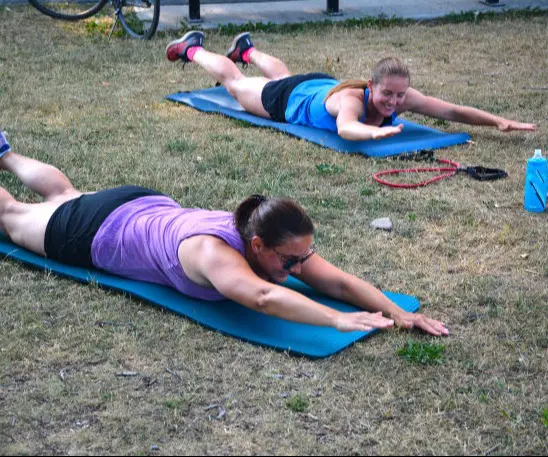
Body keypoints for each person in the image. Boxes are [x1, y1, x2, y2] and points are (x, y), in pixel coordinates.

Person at [0, 130, 448, 336]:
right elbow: (263, 298)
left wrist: (398, 312)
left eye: (300, 260)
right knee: (12, 215)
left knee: (64, 191)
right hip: (93, 230)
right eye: (290, 262)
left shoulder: (269, 235)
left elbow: (339, 281)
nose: (298, 269)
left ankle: (6, 153)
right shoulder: (214, 254)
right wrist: (335, 319)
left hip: (137, 203)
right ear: (257, 245)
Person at [165, 31, 536, 141]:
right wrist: (373, 135)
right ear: (371, 86)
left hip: (313, 85)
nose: (394, 101)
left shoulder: (401, 99)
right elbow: (345, 128)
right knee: (234, 84)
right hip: (286, 99)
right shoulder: (351, 101)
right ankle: (191, 49)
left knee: (283, 73)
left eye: (400, 94)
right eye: (387, 93)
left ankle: (248, 49)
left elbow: (451, 111)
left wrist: (498, 121)